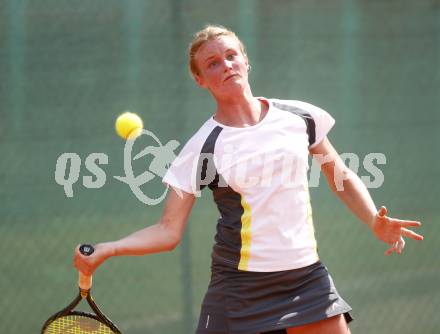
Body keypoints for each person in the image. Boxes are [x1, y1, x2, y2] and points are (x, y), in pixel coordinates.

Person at [74, 25, 424, 334]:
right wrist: (109, 248)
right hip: (241, 287)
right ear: (200, 79)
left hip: (305, 276)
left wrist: (373, 222)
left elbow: (340, 175)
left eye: (231, 56)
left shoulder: (299, 116)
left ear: (245, 60)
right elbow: (168, 231)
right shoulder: (202, 148)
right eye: (212, 63)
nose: (225, 65)